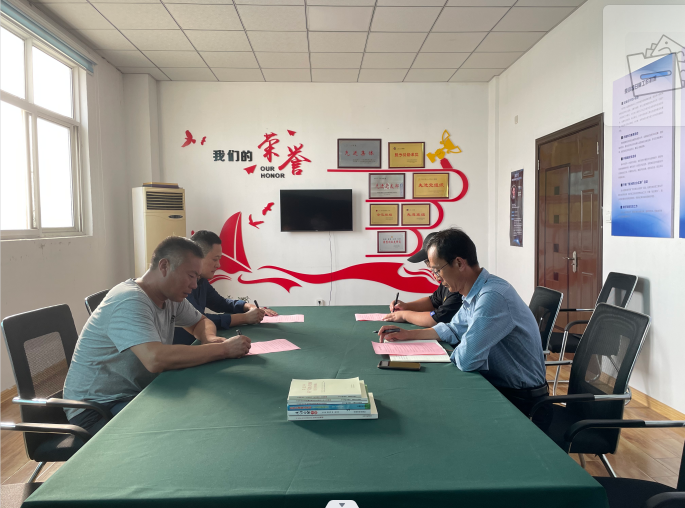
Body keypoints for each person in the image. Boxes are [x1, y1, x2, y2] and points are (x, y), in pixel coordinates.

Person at [63, 236, 252, 434]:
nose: (195, 285)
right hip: (96, 409)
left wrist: (209, 339)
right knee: (184, 427)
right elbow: (155, 358)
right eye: (190, 276)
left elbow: (200, 322)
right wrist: (223, 349)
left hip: (134, 394)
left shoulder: (170, 297)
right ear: (164, 266)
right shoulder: (130, 299)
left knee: (198, 412)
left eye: (196, 277)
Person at [378, 228, 550, 428]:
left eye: (437, 270)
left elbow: (467, 359)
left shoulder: (492, 296)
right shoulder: (474, 292)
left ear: (459, 263)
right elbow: (452, 329)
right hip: (499, 388)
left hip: (521, 403)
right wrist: (408, 335)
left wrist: (454, 350)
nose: (436, 278)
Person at [173, 230, 278, 345]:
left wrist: (248, 307)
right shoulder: (179, 286)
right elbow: (197, 319)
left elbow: (220, 303)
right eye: (215, 259)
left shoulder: (201, 281)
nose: (218, 265)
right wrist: (244, 318)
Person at [383, 232, 463, 327]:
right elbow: (433, 301)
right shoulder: (447, 282)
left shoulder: (457, 286)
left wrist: (405, 315)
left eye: (429, 260)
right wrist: (406, 306)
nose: (430, 267)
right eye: (427, 262)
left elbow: (438, 319)